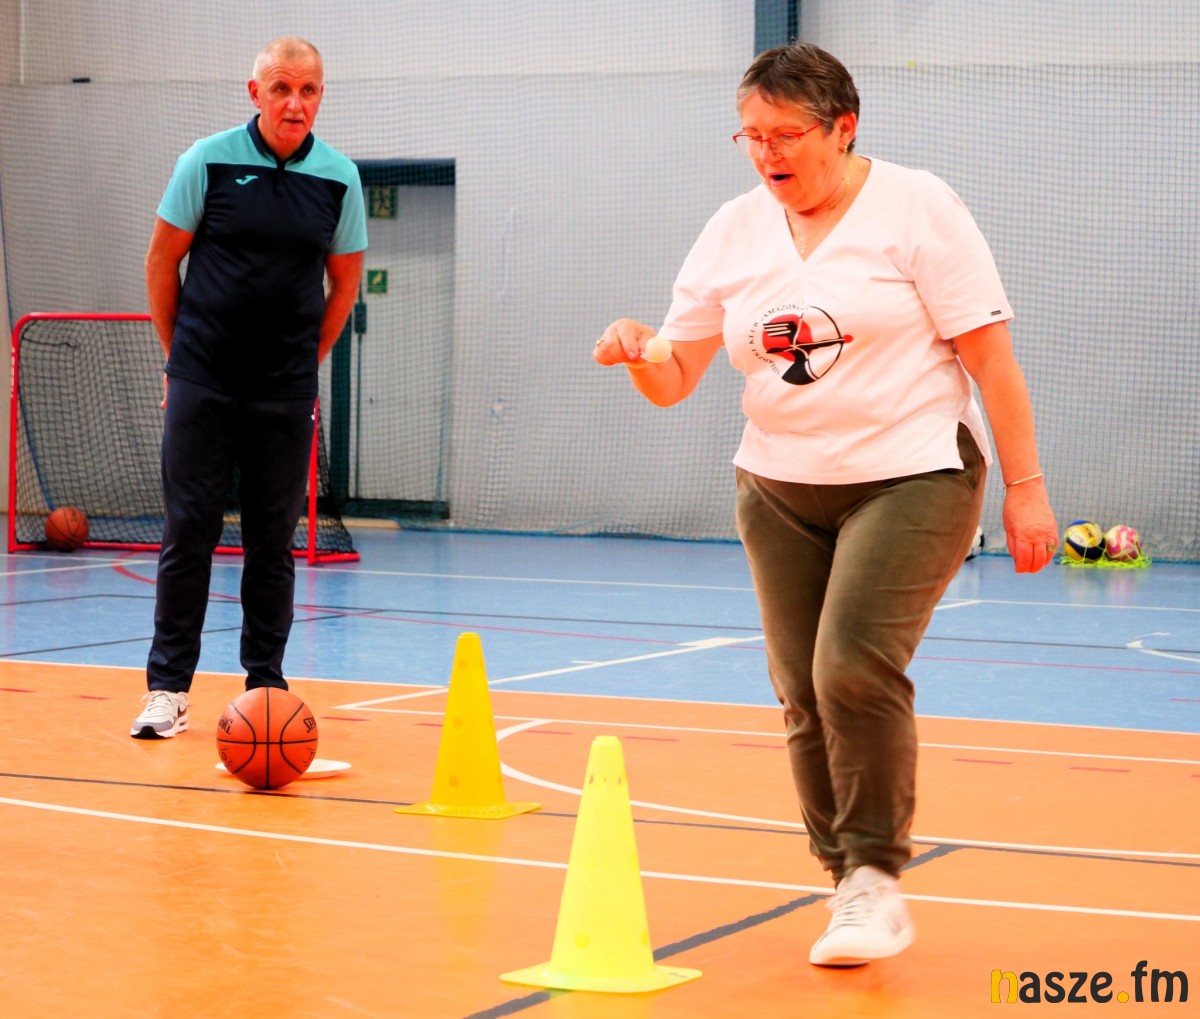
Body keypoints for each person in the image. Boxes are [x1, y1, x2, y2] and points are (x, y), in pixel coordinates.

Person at [594, 42, 1058, 967]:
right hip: (778, 486)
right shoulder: (734, 229)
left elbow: (990, 359)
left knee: (849, 665)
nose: (767, 153)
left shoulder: (917, 206)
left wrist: (1026, 488)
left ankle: (877, 874)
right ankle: (847, 879)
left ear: (843, 128)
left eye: (786, 134)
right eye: (750, 136)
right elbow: (677, 377)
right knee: (802, 690)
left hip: (913, 472)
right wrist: (641, 351)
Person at [132, 37, 366, 739]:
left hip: (284, 393)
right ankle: (167, 690)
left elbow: (344, 284)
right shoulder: (205, 161)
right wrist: (179, 361)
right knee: (188, 533)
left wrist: (306, 361)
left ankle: (265, 687)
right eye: (282, 88)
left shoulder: (340, 178)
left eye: (309, 90)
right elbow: (161, 262)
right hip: (203, 381)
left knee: (272, 543)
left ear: (320, 97)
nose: (295, 103)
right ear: (255, 92)